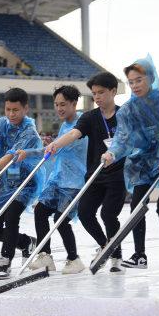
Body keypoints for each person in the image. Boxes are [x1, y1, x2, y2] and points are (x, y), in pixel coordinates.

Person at [100, 55, 159, 277]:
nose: (135, 85)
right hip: (143, 163)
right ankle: (140, 254)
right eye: (131, 81)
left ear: (151, 78)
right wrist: (112, 153)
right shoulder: (127, 110)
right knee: (137, 207)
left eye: (139, 79)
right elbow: (123, 140)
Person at [45, 72, 127, 275]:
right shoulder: (90, 117)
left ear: (113, 91)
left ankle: (116, 257)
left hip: (117, 174)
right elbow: (74, 133)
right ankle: (107, 245)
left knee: (108, 214)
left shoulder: (125, 114)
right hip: (96, 175)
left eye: (101, 92)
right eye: (94, 94)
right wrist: (55, 144)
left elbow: (129, 140)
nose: (97, 97)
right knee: (85, 213)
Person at [16, 85, 88, 274]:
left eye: (63, 104)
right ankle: (45, 256)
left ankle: (74, 259)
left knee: (60, 220)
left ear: (74, 103)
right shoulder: (65, 125)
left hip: (74, 183)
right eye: (56, 104)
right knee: (40, 210)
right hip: (60, 179)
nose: (59, 109)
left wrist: (30, 152)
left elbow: (54, 149)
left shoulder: (82, 125)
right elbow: (54, 151)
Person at [0, 88, 43, 280]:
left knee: (11, 219)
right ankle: (26, 242)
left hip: (24, 182)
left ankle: (5, 261)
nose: (11, 114)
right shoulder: (0, 124)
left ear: (25, 109)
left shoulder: (29, 131)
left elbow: (12, 155)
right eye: (8, 109)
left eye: (16, 110)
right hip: (3, 184)